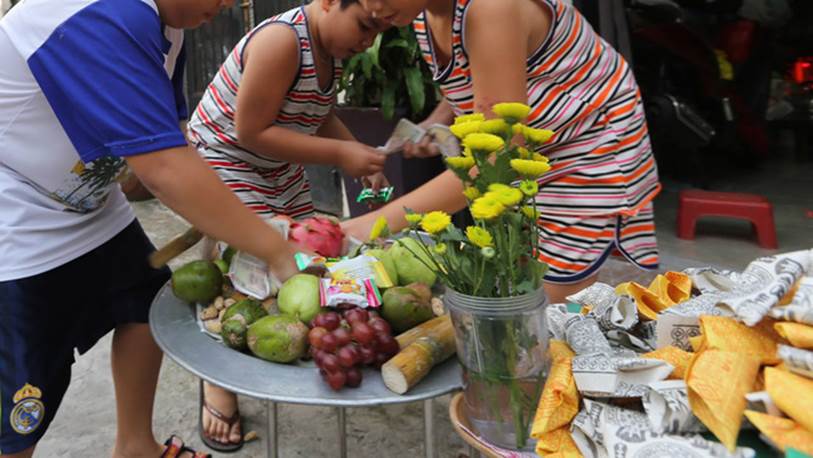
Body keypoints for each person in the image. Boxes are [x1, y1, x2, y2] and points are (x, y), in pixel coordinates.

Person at [0, 1, 306, 457]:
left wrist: (234, 218)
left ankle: (135, 447)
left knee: (147, 303)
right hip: (19, 212)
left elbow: (172, 139)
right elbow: (163, 167)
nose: (225, 4)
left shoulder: (168, 26)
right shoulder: (102, 12)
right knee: (26, 385)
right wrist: (275, 249)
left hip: (91, 199)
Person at [343, 0, 661, 303]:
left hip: (589, 138)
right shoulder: (424, 13)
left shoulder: (490, 8)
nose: (371, 6)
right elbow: (482, 72)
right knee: (519, 264)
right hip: (533, 142)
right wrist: (438, 120)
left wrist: (370, 225)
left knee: (554, 303)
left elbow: (498, 162)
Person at [185, 0, 387, 452]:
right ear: (330, 3)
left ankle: (287, 336)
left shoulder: (330, 50)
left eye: (377, 33)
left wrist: (358, 152)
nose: (367, 41)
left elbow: (319, 113)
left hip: (276, 164)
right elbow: (249, 131)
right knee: (245, 266)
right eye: (364, 26)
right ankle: (218, 381)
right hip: (226, 156)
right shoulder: (281, 40)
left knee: (303, 257)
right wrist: (341, 156)